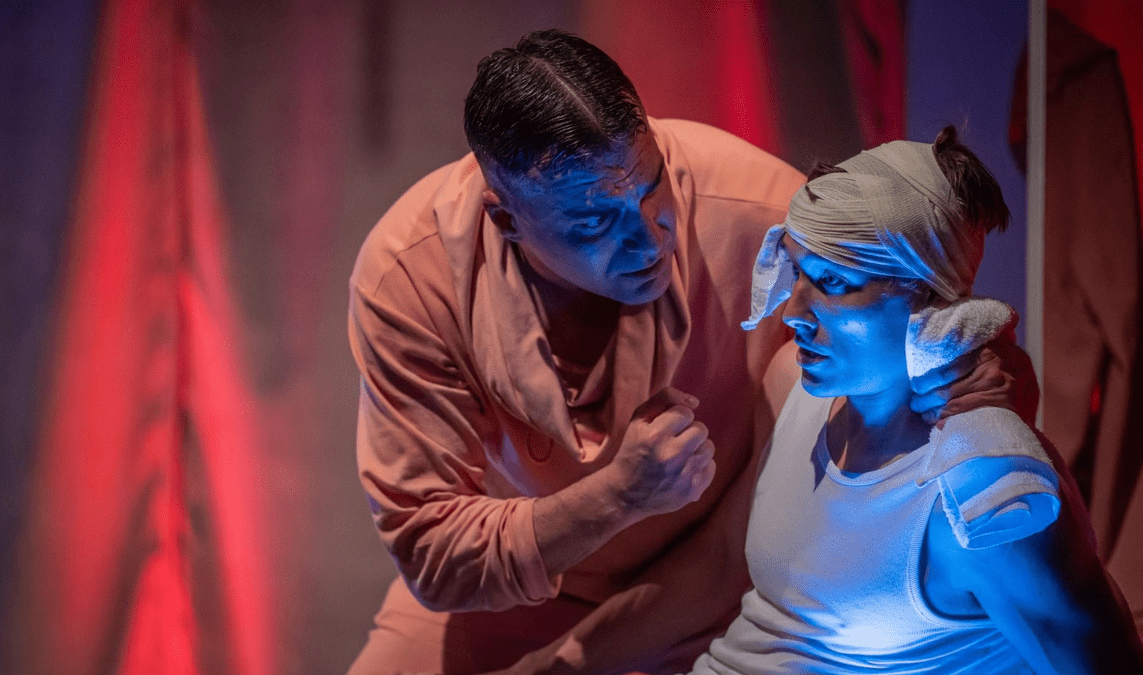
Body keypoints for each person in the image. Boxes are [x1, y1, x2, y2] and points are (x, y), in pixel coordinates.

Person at [347, 30, 1028, 675]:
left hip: (713, 588)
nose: (649, 239)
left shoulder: (761, 209)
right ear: (506, 220)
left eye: (653, 188)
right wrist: (616, 496)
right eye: (594, 222)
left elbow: (934, 321)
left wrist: (970, 367)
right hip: (511, 589)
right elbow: (434, 555)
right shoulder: (411, 275)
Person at [686, 129, 1143, 673]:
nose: (793, 313)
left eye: (834, 282)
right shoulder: (793, 384)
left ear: (929, 297)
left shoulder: (987, 494)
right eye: (800, 273)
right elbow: (721, 564)